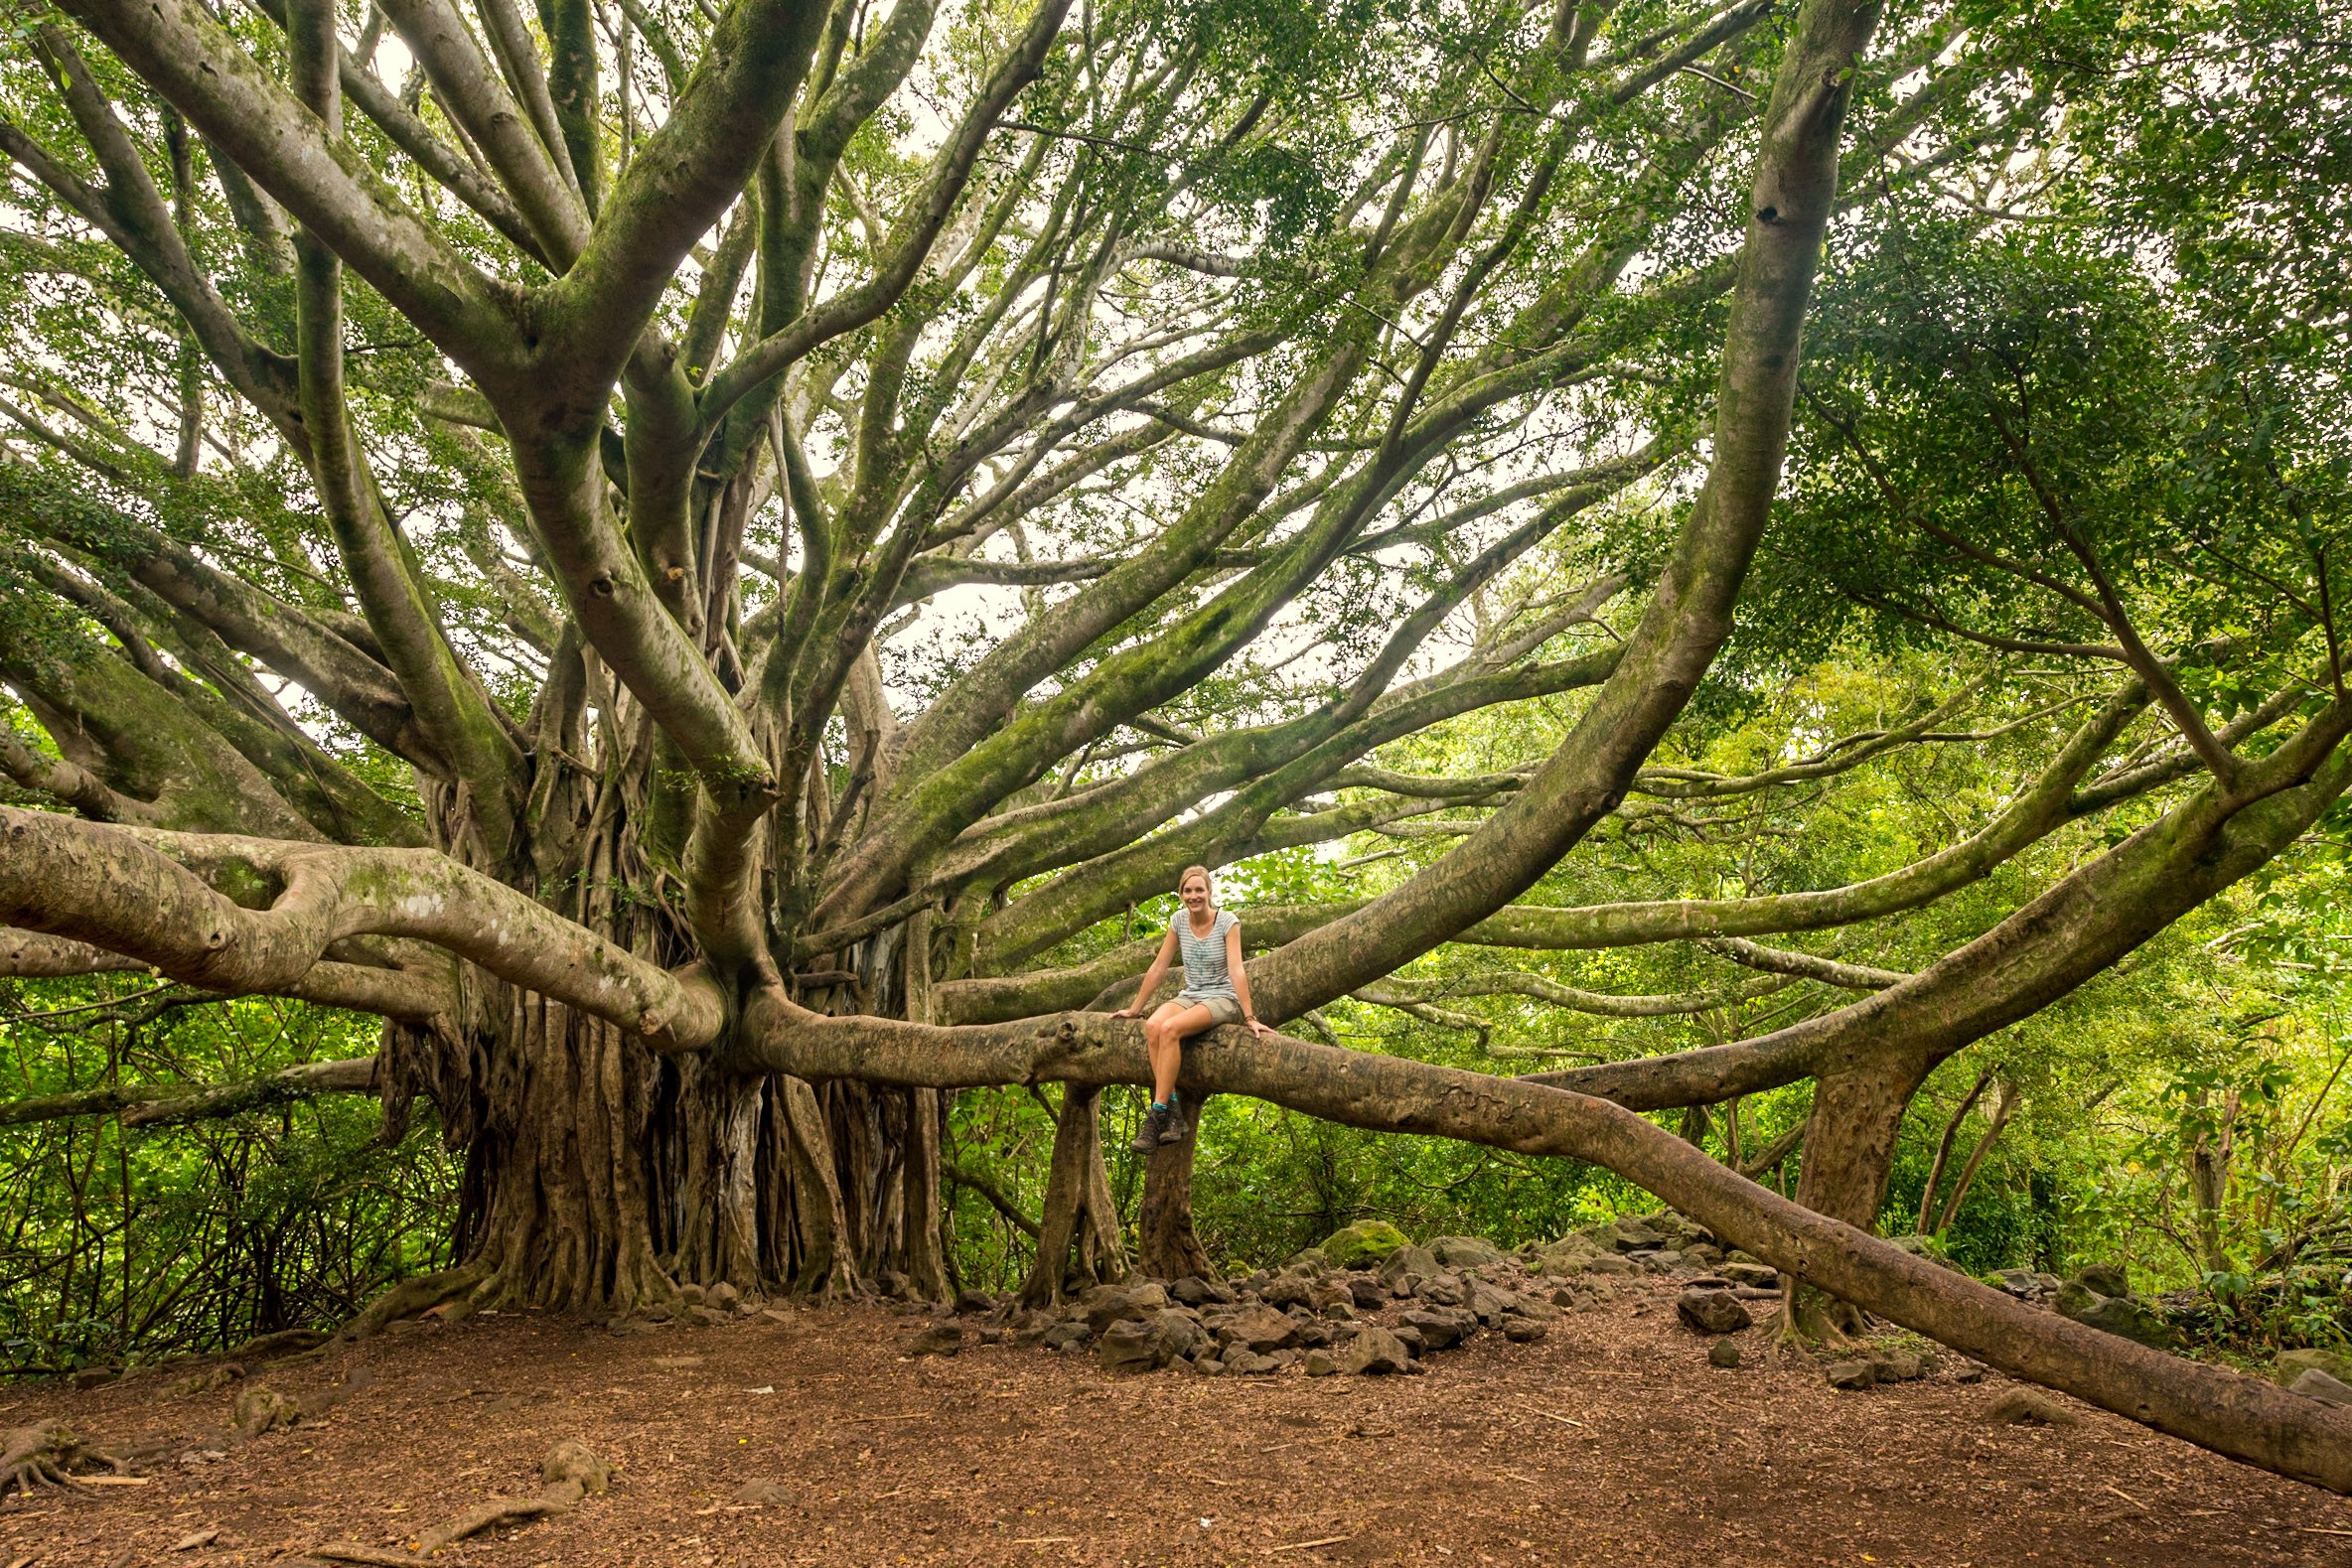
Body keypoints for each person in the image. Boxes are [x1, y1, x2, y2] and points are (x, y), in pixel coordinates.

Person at [1111, 864, 1270, 1153]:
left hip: (1221, 998)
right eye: (1188, 890)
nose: (1193, 896)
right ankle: (1172, 1109)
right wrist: (1135, 1009)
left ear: (1209, 892)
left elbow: (1236, 970)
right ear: (1181, 893)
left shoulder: (1227, 922)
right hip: (1191, 994)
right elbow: (1159, 966)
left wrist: (1249, 1016)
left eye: (1199, 890)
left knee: (1170, 1030)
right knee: (1152, 1026)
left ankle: (1157, 1114)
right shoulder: (1178, 921)